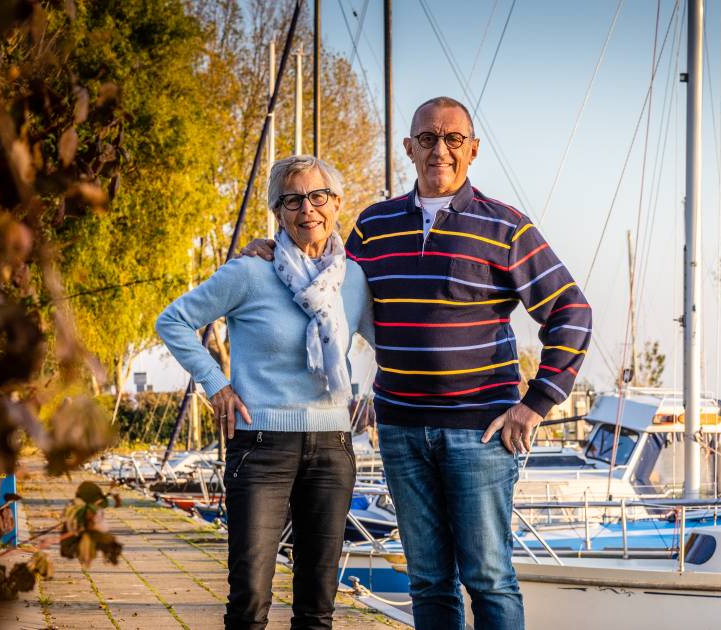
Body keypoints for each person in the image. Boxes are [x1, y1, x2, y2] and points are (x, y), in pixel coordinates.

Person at [243, 96, 592, 629]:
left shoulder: (506, 228)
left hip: (480, 432)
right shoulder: (374, 226)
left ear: (472, 149)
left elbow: (571, 310)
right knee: (428, 582)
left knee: (490, 579)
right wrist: (270, 251)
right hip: (402, 430)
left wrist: (536, 404)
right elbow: (324, 283)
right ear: (409, 148)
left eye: (453, 139)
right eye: (427, 138)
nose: (440, 149)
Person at [156, 155, 373, 630]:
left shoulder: (354, 279)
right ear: (278, 212)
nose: (306, 209)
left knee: (318, 607)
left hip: (333, 447)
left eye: (317, 196)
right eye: (292, 200)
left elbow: (391, 346)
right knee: (250, 599)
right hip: (260, 448)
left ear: (337, 203)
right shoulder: (250, 273)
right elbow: (172, 321)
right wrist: (216, 384)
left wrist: (379, 395)